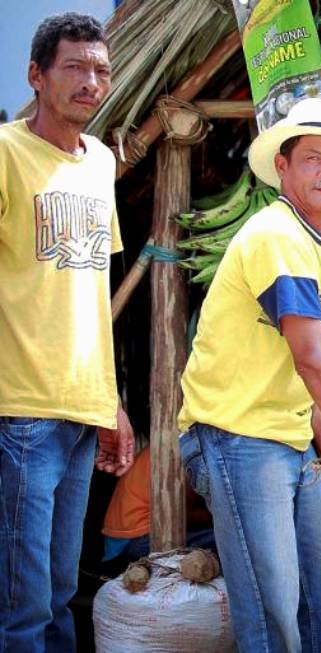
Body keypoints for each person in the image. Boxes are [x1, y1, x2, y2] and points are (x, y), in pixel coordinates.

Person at [177, 96, 321, 652]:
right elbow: (312, 360)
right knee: (275, 609)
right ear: (282, 167)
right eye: (313, 158)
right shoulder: (276, 236)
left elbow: (307, 380)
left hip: (291, 442)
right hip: (239, 438)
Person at [0, 13, 135, 651]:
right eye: (75, 67)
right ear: (36, 76)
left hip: (82, 410)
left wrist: (108, 401)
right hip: (21, 410)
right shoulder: (5, 153)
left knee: (57, 592)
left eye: (100, 69)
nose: (90, 81)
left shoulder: (101, 161)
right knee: (21, 605)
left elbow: (89, 295)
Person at [102, 447, 216, 562]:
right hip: (136, 539)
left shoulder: (166, 446)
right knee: (223, 540)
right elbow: (184, 515)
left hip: (118, 541)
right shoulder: (185, 454)